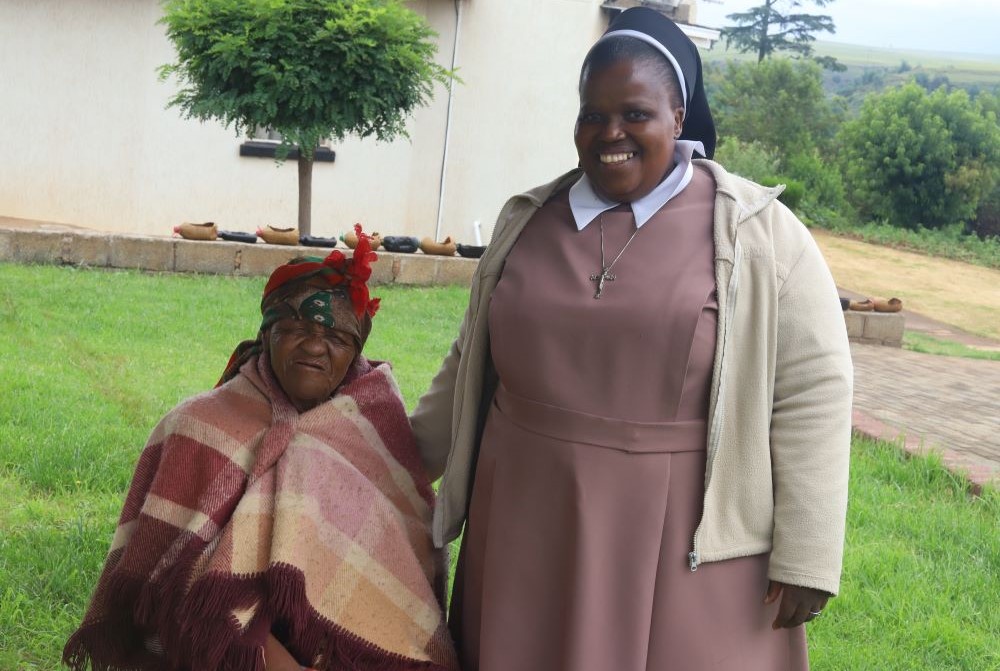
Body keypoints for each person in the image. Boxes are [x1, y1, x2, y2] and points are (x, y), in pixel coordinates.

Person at [411, 7, 853, 671]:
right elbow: (472, 359)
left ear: (679, 117)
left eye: (634, 113)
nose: (609, 132)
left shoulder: (758, 232)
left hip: (681, 537)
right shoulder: (528, 220)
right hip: (526, 518)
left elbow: (815, 387)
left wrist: (809, 552)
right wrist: (397, 454)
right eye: (592, 114)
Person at [64, 227, 458, 671]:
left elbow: (399, 559)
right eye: (296, 328)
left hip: (332, 638)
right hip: (214, 638)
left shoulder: (372, 431)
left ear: (355, 352)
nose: (314, 346)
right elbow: (167, 579)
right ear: (267, 333)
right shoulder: (200, 424)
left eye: (336, 338)